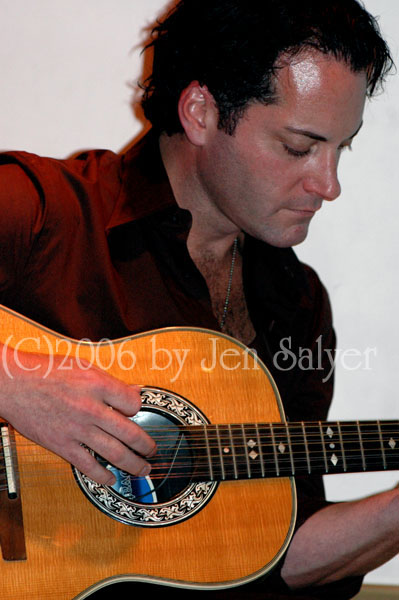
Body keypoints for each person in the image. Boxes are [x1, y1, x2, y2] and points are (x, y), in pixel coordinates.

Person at [0, 1, 396, 599]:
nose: (329, 185)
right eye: (298, 147)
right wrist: (15, 385)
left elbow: (275, 552)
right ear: (202, 112)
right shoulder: (41, 213)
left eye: (343, 149)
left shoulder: (296, 307)